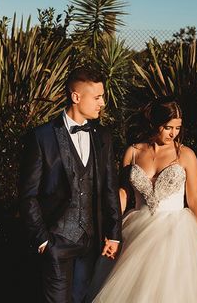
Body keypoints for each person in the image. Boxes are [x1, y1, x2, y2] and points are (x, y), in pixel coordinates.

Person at [92, 97, 197, 303]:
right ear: (154, 124)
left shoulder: (185, 155)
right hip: (137, 229)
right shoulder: (133, 152)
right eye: (168, 127)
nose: (173, 133)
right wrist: (111, 229)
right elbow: (124, 193)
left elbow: (195, 199)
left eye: (177, 127)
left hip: (176, 232)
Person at [19, 67, 122, 303]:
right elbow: (28, 195)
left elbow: (109, 187)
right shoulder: (41, 136)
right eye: (97, 97)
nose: (103, 103)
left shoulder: (103, 136)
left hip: (92, 243)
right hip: (56, 242)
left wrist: (114, 235)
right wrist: (44, 240)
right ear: (76, 97)